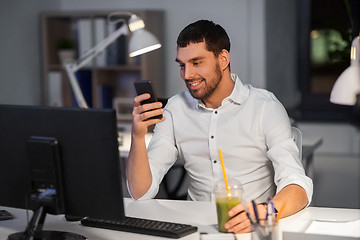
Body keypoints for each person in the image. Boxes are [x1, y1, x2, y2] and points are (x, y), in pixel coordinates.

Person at [126, 19, 313, 233]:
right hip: (194, 230)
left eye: (197, 63)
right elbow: (141, 192)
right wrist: (138, 136)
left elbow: (298, 186)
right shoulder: (175, 109)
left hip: (251, 229)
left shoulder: (265, 108)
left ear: (223, 58)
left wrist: (263, 213)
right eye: (182, 65)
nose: (187, 75)